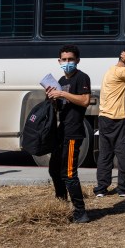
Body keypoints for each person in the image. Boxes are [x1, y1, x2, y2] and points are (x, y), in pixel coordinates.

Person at [46, 45, 91, 223]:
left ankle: (80, 212)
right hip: (61, 131)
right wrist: (52, 97)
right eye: (64, 60)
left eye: (70, 59)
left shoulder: (81, 78)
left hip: (73, 132)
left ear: (77, 60)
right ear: (59, 61)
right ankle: (61, 204)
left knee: (69, 173)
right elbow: (60, 107)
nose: (67, 63)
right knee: (54, 169)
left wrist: (63, 93)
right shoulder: (60, 80)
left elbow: (85, 100)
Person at [95, 49, 125, 197]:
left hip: (105, 117)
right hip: (119, 118)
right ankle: (124, 188)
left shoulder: (111, 70)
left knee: (105, 154)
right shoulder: (120, 72)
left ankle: (101, 188)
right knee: (124, 154)